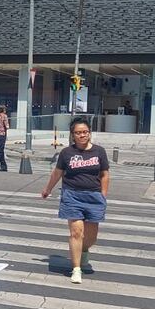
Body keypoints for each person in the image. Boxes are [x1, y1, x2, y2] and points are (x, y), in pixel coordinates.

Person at [40, 117, 109, 284]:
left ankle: (84, 250)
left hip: (93, 196)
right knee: (76, 232)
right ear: (73, 135)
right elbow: (57, 173)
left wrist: (103, 195)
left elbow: (105, 175)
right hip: (72, 195)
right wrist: (47, 189)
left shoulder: (99, 151)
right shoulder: (66, 153)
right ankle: (76, 268)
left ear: (90, 133)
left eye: (85, 132)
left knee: (91, 237)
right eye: (78, 133)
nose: (82, 135)